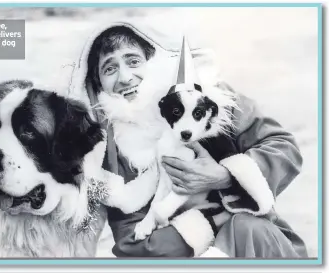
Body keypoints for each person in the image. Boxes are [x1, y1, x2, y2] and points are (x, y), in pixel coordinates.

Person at [68, 21, 309, 258]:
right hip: (191, 257)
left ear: (153, 59)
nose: (125, 77)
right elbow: (133, 245)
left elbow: (283, 147)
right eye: (110, 69)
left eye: (133, 61)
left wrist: (226, 176)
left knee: (248, 229)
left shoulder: (210, 100)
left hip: (257, 246)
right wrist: (213, 221)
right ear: (97, 85)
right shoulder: (114, 150)